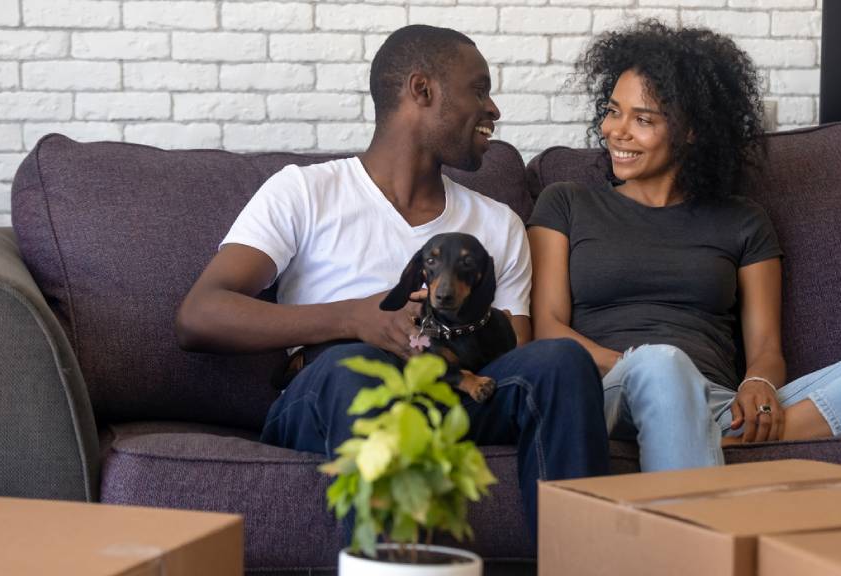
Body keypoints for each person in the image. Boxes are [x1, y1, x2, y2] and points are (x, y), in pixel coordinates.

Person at [175, 24, 610, 538]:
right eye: (479, 90)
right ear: (421, 90)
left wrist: (446, 325)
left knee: (561, 361)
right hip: (335, 394)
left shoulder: (497, 223)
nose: (492, 109)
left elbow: (515, 348)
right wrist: (356, 319)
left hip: (449, 394)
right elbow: (200, 315)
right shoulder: (304, 192)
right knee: (353, 365)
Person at [527, 21, 841, 473]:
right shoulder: (567, 203)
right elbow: (547, 329)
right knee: (663, 365)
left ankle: (731, 436)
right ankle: (717, 473)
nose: (616, 131)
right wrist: (647, 364)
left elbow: (765, 344)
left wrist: (759, 383)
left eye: (643, 119)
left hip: (721, 402)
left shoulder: (743, 220)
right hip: (613, 389)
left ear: (691, 131)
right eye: (613, 111)